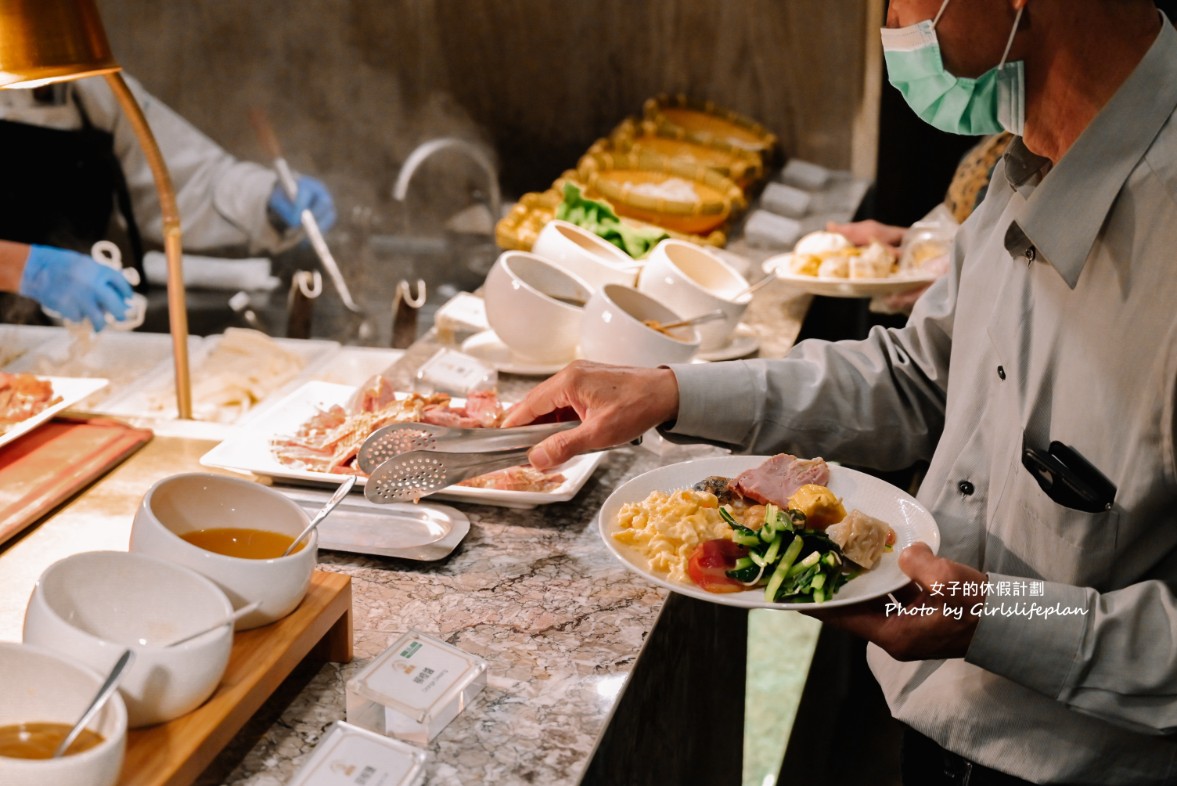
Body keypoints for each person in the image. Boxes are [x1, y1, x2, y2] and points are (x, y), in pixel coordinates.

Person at [503, 1, 1177, 783]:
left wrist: (998, 619)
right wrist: (668, 393)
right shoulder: (1030, 159)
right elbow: (916, 376)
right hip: (930, 727)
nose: (889, 21)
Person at [0, 75, 335, 331]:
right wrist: (25, 268)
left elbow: (186, 180)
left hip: (68, 344)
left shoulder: (94, 91)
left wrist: (265, 200)